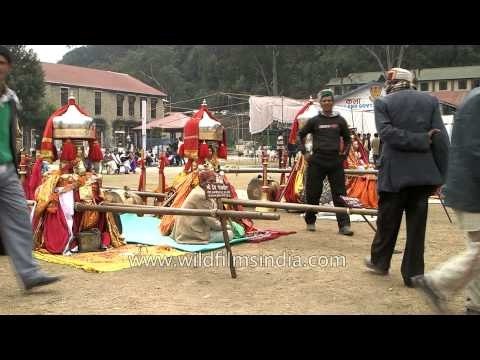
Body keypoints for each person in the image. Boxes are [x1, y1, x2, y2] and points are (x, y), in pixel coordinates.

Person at [364, 67, 449, 287]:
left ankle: (380, 263)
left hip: (394, 176)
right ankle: (412, 274)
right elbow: (441, 140)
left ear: (392, 83)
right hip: (423, 175)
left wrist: (418, 139)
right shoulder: (430, 101)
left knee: (387, 222)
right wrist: (442, 175)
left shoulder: (382, 103)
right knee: (417, 228)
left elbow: (387, 134)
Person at [412, 88, 480, 314]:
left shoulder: (474, 97)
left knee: (477, 250)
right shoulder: (478, 100)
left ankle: (475, 304)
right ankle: (437, 283)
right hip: (472, 190)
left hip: (468, 187)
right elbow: (474, 151)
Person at [0, 46, 61, 290]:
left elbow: (11, 133)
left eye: (2, 62)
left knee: (20, 220)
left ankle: (29, 273)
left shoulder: (12, 99)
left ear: (8, 67)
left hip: (6, 170)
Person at [297, 88, 353, 236]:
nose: (327, 102)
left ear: (333, 102)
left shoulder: (340, 120)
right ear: (320, 103)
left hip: (335, 161)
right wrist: (305, 153)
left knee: (340, 194)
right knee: (313, 192)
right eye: (324, 100)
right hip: (317, 161)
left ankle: (344, 225)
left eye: (329, 100)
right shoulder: (314, 121)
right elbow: (300, 134)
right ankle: (310, 221)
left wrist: (344, 155)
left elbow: (348, 139)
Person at [171, 170, 233, 244]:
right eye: (211, 181)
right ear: (203, 182)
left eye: (214, 181)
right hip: (192, 233)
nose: (214, 184)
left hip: (189, 229)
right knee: (229, 234)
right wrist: (227, 226)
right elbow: (210, 221)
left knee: (227, 230)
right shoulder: (201, 195)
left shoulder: (200, 190)